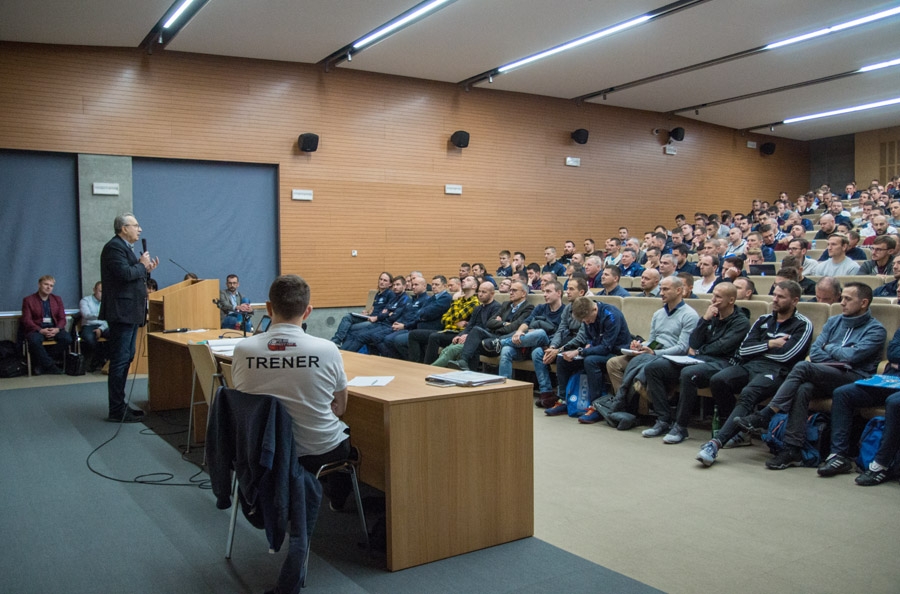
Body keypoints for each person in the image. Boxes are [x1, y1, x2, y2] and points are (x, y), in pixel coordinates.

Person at [232, 274, 352, 511]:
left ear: (268, 308)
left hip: (261, 451)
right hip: (318, 451)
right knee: (346, 433)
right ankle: (337, 502)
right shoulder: (327, 349)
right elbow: (341, 406)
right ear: (308, 312)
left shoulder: (243, 349)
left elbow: (242, 397)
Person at [735, 282, 885, 469]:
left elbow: (852, 357)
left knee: (802, 367)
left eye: (848, 299)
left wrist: (829, 348)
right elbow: (815, 351)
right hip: (826, 372)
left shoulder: (875, 329)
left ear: (863, 303)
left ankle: (766, 414)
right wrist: (835, 351)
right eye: (842, 298)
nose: (842, 302)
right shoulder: (834, 321)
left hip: (855, 377)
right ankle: (793, 449)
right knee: (804, 388)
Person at [695, 281, 813, 466]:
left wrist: (758, 348)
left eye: (781, 296)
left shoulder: (802, 324)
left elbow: (787, 356)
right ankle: (739, 431)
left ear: (795, 300)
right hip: (751, 365)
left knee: (748, 392)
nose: (775, 299)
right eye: (774, 294)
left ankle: (715, 443)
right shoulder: (764, 320)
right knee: (719, 380)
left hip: (777, 371)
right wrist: (770, 344)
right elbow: (743, 350)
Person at [642, 282, 750, 441]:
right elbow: (694, 342)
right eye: (713, 295)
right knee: (654, 367)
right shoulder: (711, 316)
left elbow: (722, 347)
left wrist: (699, 350)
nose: (713, 300)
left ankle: (680, 427)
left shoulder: (741, 322)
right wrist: (705, 320)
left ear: (731, 300)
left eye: (718, 297)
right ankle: (663, 419)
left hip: (723, 363)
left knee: (688, 373)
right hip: (700, 359)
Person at [818, 328, 900, 482]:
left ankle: (881, 465)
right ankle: (839, 455)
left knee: (894, 403)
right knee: (843, 394)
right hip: (891, 380)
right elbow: (893, 353)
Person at [100, 213, 158, 422]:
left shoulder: (125, 249)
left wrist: (146, 269)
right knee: (120, 360)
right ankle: (116, 410)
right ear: (124, 228)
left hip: (131, 312)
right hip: (121, 312)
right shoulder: (114, 247)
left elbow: (133, 276)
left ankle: (121, 404)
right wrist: (142, 265)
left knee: (127, 358)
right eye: (136, 225)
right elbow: (124, 275)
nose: (139, 229)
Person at [544, 296, 631, 419]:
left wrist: (581, 351)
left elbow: (606, 347)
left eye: (588, 320)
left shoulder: (611, 315)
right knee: (562, 358)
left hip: (615, 353)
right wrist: (587, 346)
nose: (587, 323)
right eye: (584, 321)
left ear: (594, 309)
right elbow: (590, 338)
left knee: (590, 361)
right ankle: (563, 399)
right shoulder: (587, 318)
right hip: (597, 350)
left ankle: (596, 405)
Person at [481, 281, 566, 395]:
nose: (545, 295)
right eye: (544, 292)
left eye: (548, 291)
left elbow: (560, 333)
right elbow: (527, 322)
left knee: (540, 334)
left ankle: (501, 342)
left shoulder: (564, 311)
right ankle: (504, 390)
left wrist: (551, 345)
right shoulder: (540, 308)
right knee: (506, 351)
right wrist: (520, 331)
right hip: (527, 344)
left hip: (548, 345)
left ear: (559, 293)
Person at [446, 281, 534, 370]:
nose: (510, 292)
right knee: (476, 331)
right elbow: (490, 323)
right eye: (510, 290)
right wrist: (504, 323)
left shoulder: (528, 308)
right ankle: (464, 363)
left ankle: (467, 368)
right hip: (494, 336)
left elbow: (513, 327)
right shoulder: (506, 304)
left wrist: (498, 325)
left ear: (523, 293)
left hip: (504, 340)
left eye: (514, 290)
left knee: (476, 341)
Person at [380, 275, 452, 359]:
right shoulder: (433, 298)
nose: (434, 287)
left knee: (397, 340)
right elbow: (420, 313)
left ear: (444, 286)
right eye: (432, 284)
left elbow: (427, 313)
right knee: (387, 338)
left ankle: (413, 363)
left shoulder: (445, 298)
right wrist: (421, 315)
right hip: (417, 328)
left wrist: (421, 314)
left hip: (432, 330)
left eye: (437, 284)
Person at [21, 275, 72, 375]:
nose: (49, 287)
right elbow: (26, 320)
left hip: (54, 327)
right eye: (46, 284)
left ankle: (42, 364)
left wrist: (57, 329)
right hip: (37, 328)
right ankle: (50, 365)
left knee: (67, 339)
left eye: (51, 286)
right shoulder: (28, 300)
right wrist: (40, 330)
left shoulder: (57, 299)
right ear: (39, 285)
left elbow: (62, 318)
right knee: (34, 340)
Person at [331, 272, 392, 346]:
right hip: (369, 317)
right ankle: (336, 341)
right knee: (347, 317)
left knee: (351, 328)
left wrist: (376, 317)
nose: (382, 282)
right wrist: (367, 313)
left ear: (390, 284)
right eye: (381, 279)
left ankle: (345, 348)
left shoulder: (390, 294)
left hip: (376, 321)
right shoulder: (378, 294)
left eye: (385, 280)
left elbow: (387, 311)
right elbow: (374, 309)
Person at [79, 281, 109, 372]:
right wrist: (102, 315)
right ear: (94, 290)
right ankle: (100, 359)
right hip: (89, 325)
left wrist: (101, 328)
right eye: (100, 291)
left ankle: (105, 361)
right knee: (89, 338)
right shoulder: (85, 300)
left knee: (116, 335)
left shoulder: (108, 302)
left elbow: (109, 319)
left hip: (103, 326)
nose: (103, 294)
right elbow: (86, 315)